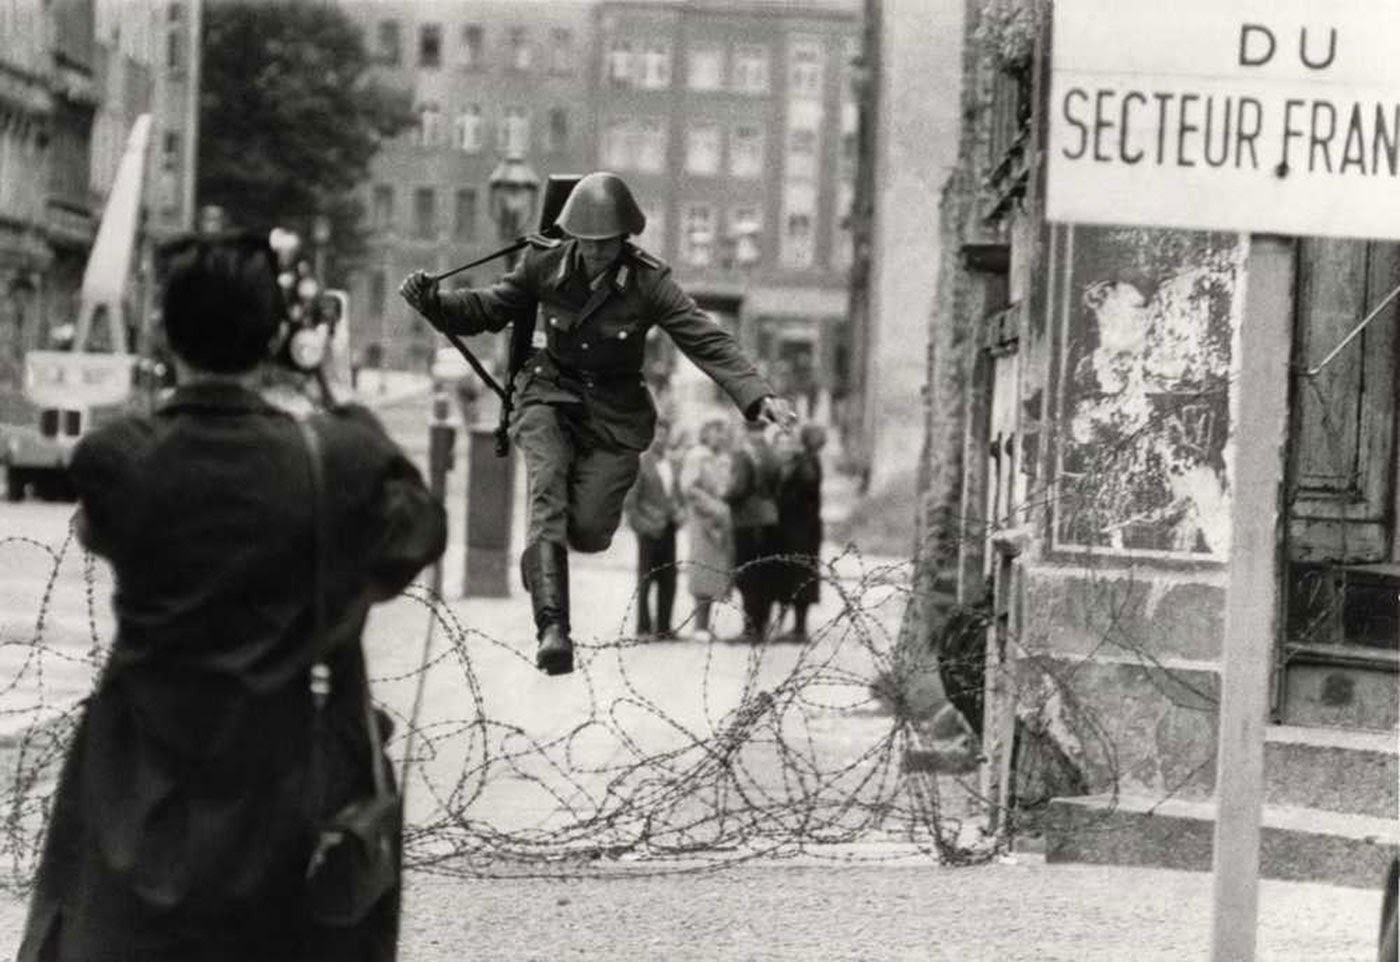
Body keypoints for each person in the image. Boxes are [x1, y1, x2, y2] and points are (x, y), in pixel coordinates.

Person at [18, 233, 447, 962]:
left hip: (144, 785)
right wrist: (335, 396)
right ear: (280, 337)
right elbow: (416, 537)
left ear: (164, 330)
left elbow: (98, 530)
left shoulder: (123, 457)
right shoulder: (335, 460)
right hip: (298, 784)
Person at [400, 171, 795, 675]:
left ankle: (549, 563)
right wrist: (434, 302)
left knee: (585, 531)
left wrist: (757, 395)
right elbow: (490, 309)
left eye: (607, 243)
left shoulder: (649, 282)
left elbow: (704, 338)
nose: (597, 253)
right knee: (546, 490)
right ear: (573, 236)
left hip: (615, 414)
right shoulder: (544, 263)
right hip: (550, 393)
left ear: (624, 238)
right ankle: (552, 628)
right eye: (587, 242)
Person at [622, 420, 684, 639]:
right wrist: (642, 527)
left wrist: (679, 513)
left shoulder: (672, 463)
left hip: (669, 528)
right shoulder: (640, 463)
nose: (661, 439)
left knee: (669, 580)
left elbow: (676, 494)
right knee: (646, 580)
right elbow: (630, 503)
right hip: (648, 531)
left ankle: (665, 627)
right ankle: (643, 627)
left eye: (665, 434)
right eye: (657, 434)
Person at [727, 418, 782, 642]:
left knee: (746, 574)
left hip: (747, 520)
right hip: (770, 516)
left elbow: (738, 488)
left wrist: (725, 497)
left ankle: (749, 628)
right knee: (766, 574)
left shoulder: (743, 454)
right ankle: (763, 624)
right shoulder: (773, 454)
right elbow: (778, 485)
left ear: (746, 430)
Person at [681, 418, 735, 642]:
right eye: (715, 431)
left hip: (720, 518)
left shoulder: (721, 458)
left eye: (723, 431)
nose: (720, 436)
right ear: (705, 433)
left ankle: (707, 624)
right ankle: (699, 625)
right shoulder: (697, 456)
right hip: (703, 518)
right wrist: (712, 507)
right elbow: (689, 488)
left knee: (715, 570)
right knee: (702, 568)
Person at [774, 423, 826, 643]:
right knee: (798, 575)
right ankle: (796, 626)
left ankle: (798, 627)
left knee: (797, 576)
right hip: (802, 526)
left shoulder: (804, 461)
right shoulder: (809, 460)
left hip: (798, 527)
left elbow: (799, 488)